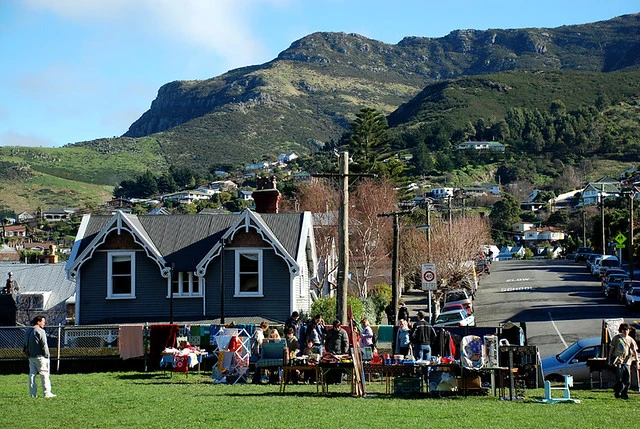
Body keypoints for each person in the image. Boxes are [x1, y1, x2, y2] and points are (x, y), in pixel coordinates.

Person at [23, 315, 56, 398]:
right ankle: (47, 392)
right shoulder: (40, 331)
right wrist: (47, 355)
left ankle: (33, 394)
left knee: (32, 375)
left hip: (31, 356)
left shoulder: (28, 331)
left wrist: (27, 354)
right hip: (40, 356)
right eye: (43, 322)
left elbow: (25, 344)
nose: (44, 324)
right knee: (44, 374)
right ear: (38, 322)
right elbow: (44, 344)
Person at [608, 322, 638, 399]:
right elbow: (611, 349)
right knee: (619, 378)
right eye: (624, 330)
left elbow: (634, 350)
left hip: (627, 361)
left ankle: (624, 393)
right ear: (621, 330)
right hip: (618, 360)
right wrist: (609, 359)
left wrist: (637, 360)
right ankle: (617, 392)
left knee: (628, 380)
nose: (625, 331)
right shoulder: (617, 338)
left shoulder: (630, 339)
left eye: (627, 330)